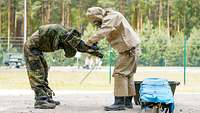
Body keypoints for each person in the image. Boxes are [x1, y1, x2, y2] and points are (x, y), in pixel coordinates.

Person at [24, 24, 103, 109]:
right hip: (31, 49)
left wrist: (90, 49)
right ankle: (40, 100)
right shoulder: (62, 32)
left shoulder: (62, 35)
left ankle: (46, 97)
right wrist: (90, 48)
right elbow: (78, 44)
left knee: (44, 72)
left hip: (37, 49)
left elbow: (77, 45)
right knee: (37, 73)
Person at [86, 7, 141, 111]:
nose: (95, 23)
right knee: (127, 74)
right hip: (131, 49)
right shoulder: (111, 17)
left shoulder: (111, 16)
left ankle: (119, 103)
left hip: (129, 50)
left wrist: (88, 42)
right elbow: (108, 32)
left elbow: (104, 31)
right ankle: (127, 102)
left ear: (98, 16)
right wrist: (95, 42)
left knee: (119, 73)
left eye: (95, 21)